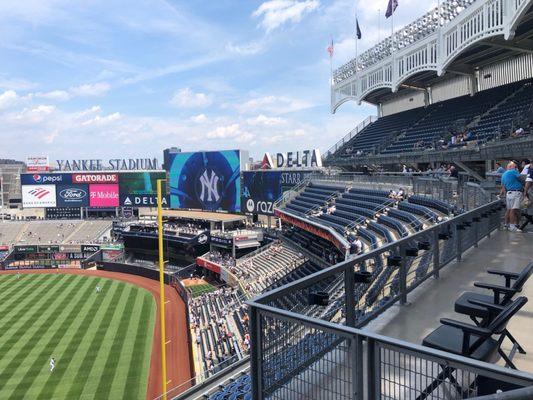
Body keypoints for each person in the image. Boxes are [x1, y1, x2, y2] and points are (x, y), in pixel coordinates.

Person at [500, 161, 524, 231]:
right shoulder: (513, 171)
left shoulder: (504, 174)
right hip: (516, 193)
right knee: (514, 209)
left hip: (508, 193)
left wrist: (504, 195)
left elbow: (503, 187)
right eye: (515, 167)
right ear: (511, 167)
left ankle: (506, 225)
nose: (516, 169)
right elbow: (522, 179)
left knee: (509, 209)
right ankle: (512, 226)